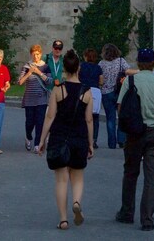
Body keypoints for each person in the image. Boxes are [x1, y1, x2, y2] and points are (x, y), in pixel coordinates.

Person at [115, 48, 154, 232]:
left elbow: (121, 107)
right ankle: (147, 218)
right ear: (153, 63)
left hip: (135, 131)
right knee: (151, 177)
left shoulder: (130, 81)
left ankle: (127, 212)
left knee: (130, 172)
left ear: (138, 63)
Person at [38, 49, 95, 230]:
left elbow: (50, 116)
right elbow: (89, 119)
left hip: (60, 137)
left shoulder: (58, 89)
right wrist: (91, 142)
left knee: (61, 180)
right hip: (79, 137)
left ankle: (63, 219)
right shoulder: (87, 92)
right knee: (77, 178)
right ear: (78, 68)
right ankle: (76, 202)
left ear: (64, 69)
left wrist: (42, 140)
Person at [18, 44, 50, 153]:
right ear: (31, 54)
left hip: (42, 99)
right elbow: (20, 82)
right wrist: (30, 72)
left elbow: (49, 81)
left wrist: (39, 72)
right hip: (29, 99)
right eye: (34, 54)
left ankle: (37, 145)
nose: (36, 56)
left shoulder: (46, 67)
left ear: (40, 54)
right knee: (30, 122)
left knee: (40, 122)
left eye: (38, 54)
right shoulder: (27, 66)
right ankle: (28, 137)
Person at [98, 43, 130, 149]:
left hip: (106, 93)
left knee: (110, 118)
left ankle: (111, 143)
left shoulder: (101, 64)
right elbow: (128, 71)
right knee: (121, 116)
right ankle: (121, 140)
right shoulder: (121, 61)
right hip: (119, 91)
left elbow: (99, 78)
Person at [79, 49, 103, 148]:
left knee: (83, 115)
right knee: (95, 117)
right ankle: (93, 139)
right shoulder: (98, 67)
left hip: (84, 90)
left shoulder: (82, 66)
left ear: (86, 56)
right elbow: (101, 81)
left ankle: (83, 137)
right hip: (95, 91)